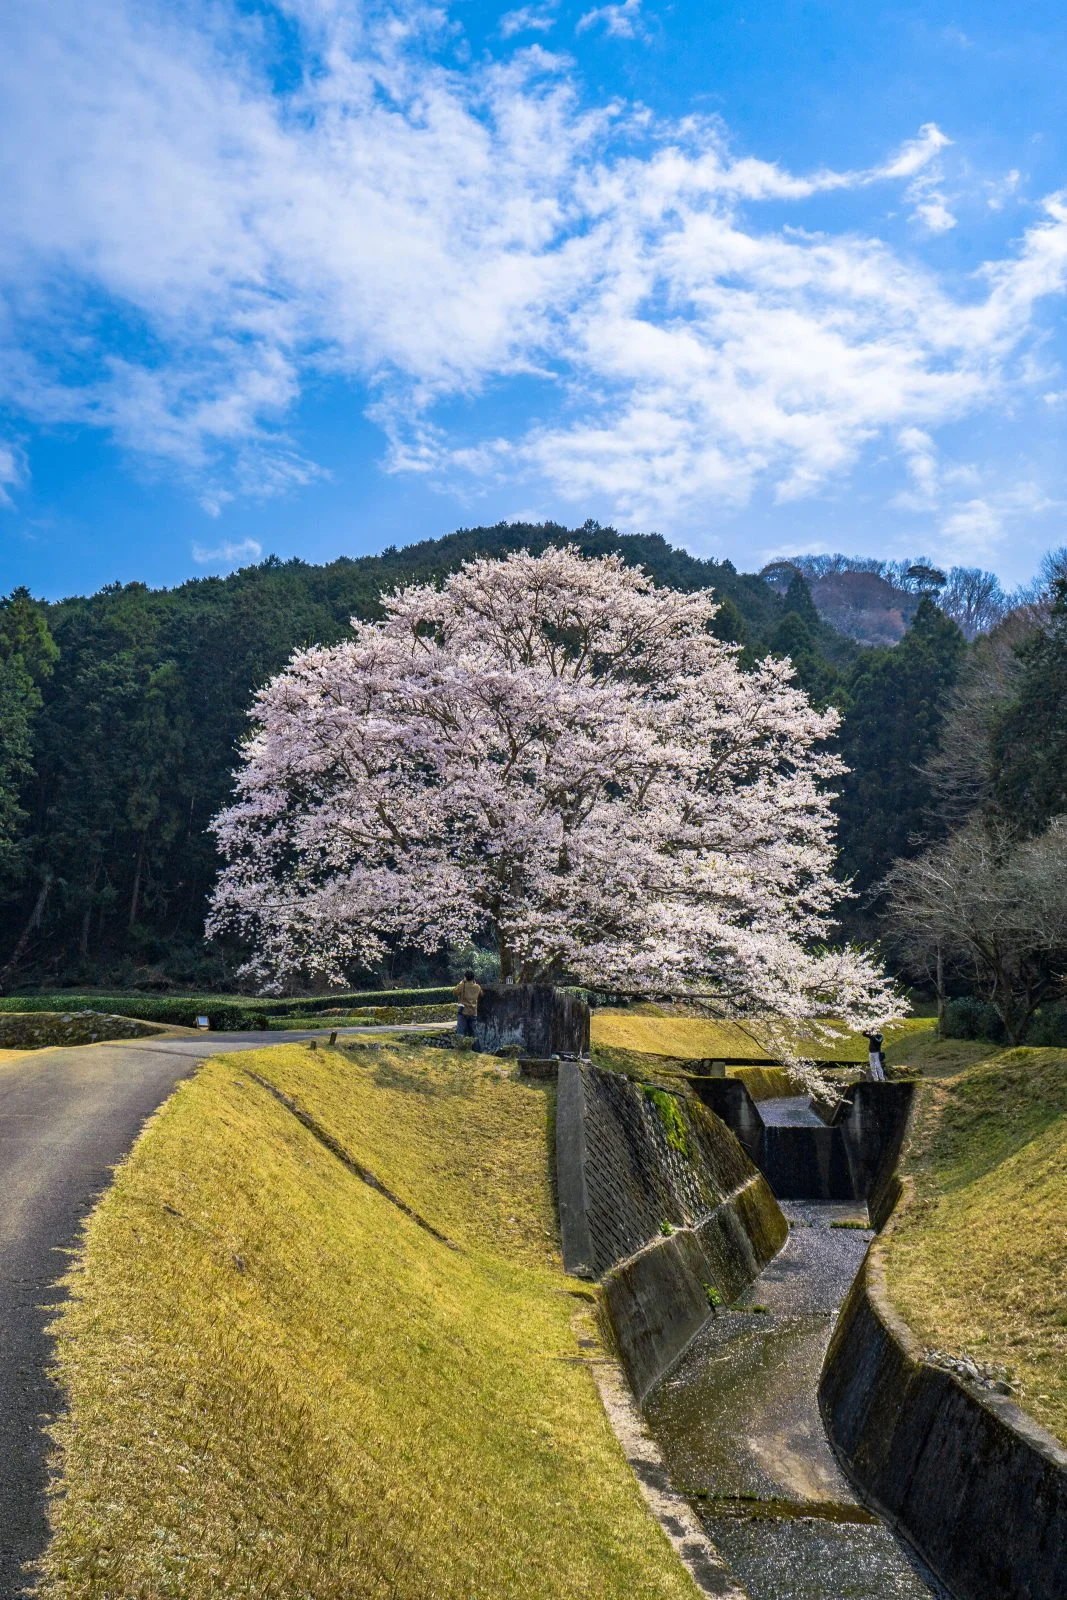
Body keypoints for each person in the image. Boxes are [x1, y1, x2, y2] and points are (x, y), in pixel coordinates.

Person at [454, 970, 483, 1042]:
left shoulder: (463, 985)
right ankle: (477, 1050)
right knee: (474, 1034)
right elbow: (481, 994)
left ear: (465, 977)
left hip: (463, 1012)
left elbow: (455, 992)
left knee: (460, 1032)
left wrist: (461, 983)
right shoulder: (477, 987)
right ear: (473, 978)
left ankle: (459, 1048)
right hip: (473, 1013)